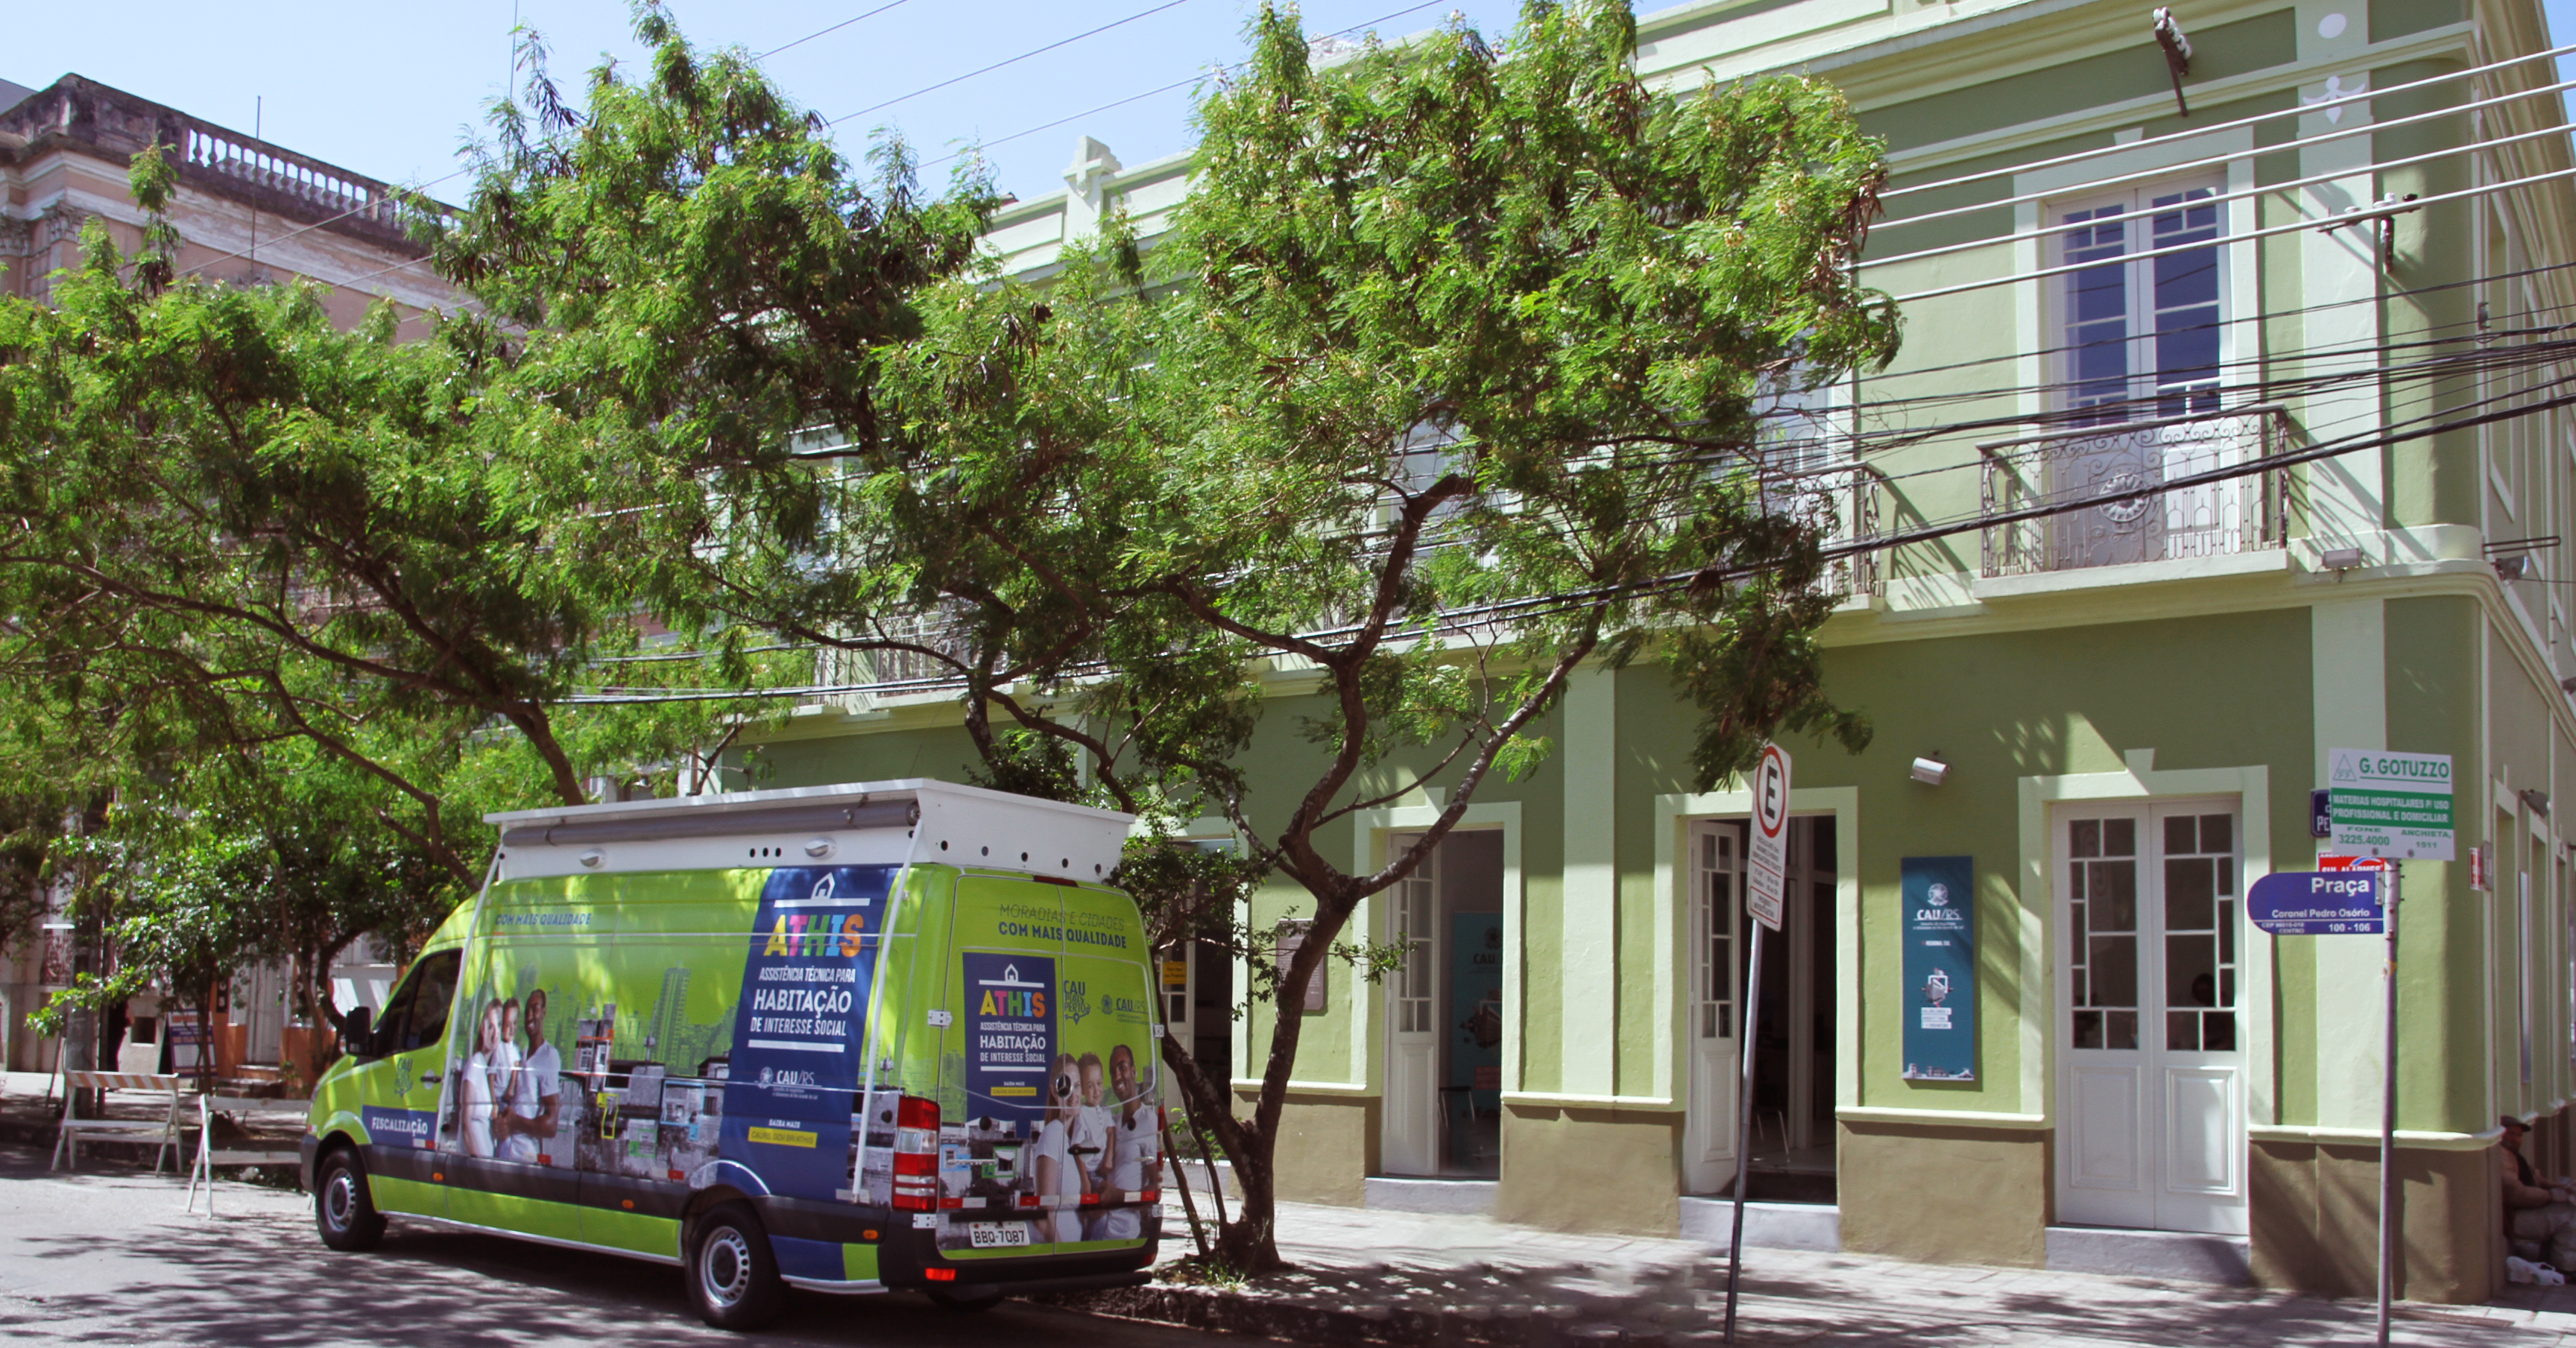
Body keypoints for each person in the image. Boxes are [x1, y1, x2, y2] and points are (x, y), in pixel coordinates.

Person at [1085, 1043, 1161, 1241]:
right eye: (1112, 1072)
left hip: (1123, 1234)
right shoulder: (1113, 1121)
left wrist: (1117, 1197)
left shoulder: (1149, 1121)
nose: (1117, 1076)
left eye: (1122, 1067)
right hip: (1097, 1231)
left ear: (1134, 1071)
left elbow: (1154, 1189)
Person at [2501, 1116, 2576, 1273]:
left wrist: (2565, 1187)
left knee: (2568, 1206)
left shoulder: (2515, 1156)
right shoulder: (2502, 1156)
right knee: (2570, 1216)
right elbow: (2515, 1194)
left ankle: (2551, 1260)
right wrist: (2551, 1195)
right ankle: (2565, 1270)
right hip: (2512, 1219)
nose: (2515, 1139)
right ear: (2501, 1133)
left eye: (2519, 1135)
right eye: (2511, 1133)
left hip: (2524, 1212)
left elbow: (2538, 1180)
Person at [499, 988, 564, 1165]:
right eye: (527, 1011)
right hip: (504, 1152)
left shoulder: (549, 1056)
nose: (529, 1017)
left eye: (534, 1009)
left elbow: (551, 1126)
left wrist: (515, 1123)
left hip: (525, 1158)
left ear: (544, 1012)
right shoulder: (521, 1054)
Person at [1029, 1053, 1086, 1244]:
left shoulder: (1068, 1138)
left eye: (1077, 1086)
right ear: (1055, 1092)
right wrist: (1061, 1253)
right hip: (1061, 1253)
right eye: (1065, 1087)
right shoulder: (1053, 1134)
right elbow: (1044, 1214)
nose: (1073, 1095)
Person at [461, 999, 502, 1159]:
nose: (494, 1032)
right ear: (482, 1029)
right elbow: (466, 1124)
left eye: (498, 1026)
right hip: (476, 1165)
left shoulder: (484, 1068)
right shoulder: (475, 1065)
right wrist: (477, 1163)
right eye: (490, 1026)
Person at [1072, 1051, 1111, 1198]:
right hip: (1090, 1172)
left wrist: (1109, 1158)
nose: (1097, 1091)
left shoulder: (1104, 1111)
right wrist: (1085, 1181)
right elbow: (1077, 1148)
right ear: (1082, 1089)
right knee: (1103, 1193)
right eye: (1090, 1086)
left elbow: (1111, 1131)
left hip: (1103, 1169)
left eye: (1099, 1084)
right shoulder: (1082, 1113)